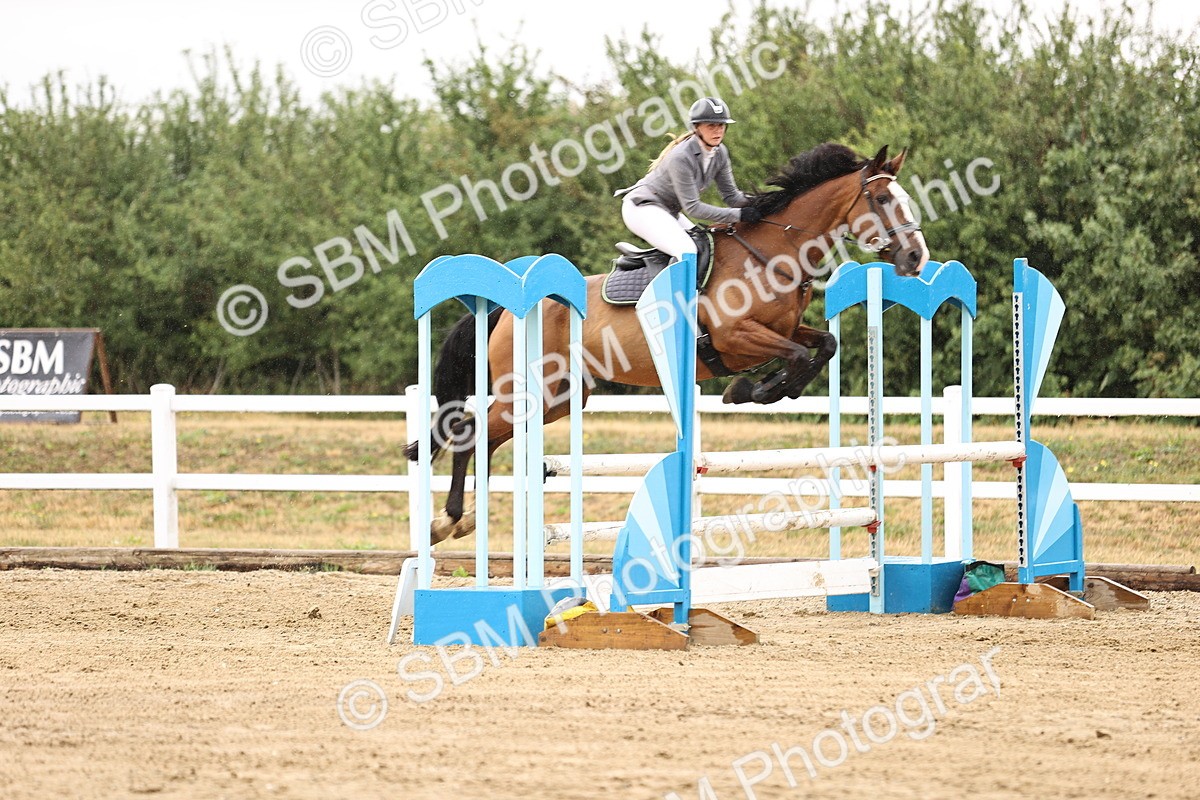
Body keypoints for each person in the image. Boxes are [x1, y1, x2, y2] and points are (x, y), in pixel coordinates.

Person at [615, 97, 762, 261]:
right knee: (687, 251)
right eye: (711, 125)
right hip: (641, 209)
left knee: (705, 246)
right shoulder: (681, 157)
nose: (718, 131)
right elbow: (693, 208)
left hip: (668, 210)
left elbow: (732, 196)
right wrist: (739, 215)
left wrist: (762, 204)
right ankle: (674, 288)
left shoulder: (720, 153)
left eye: (721, 125)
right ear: (696, 127)